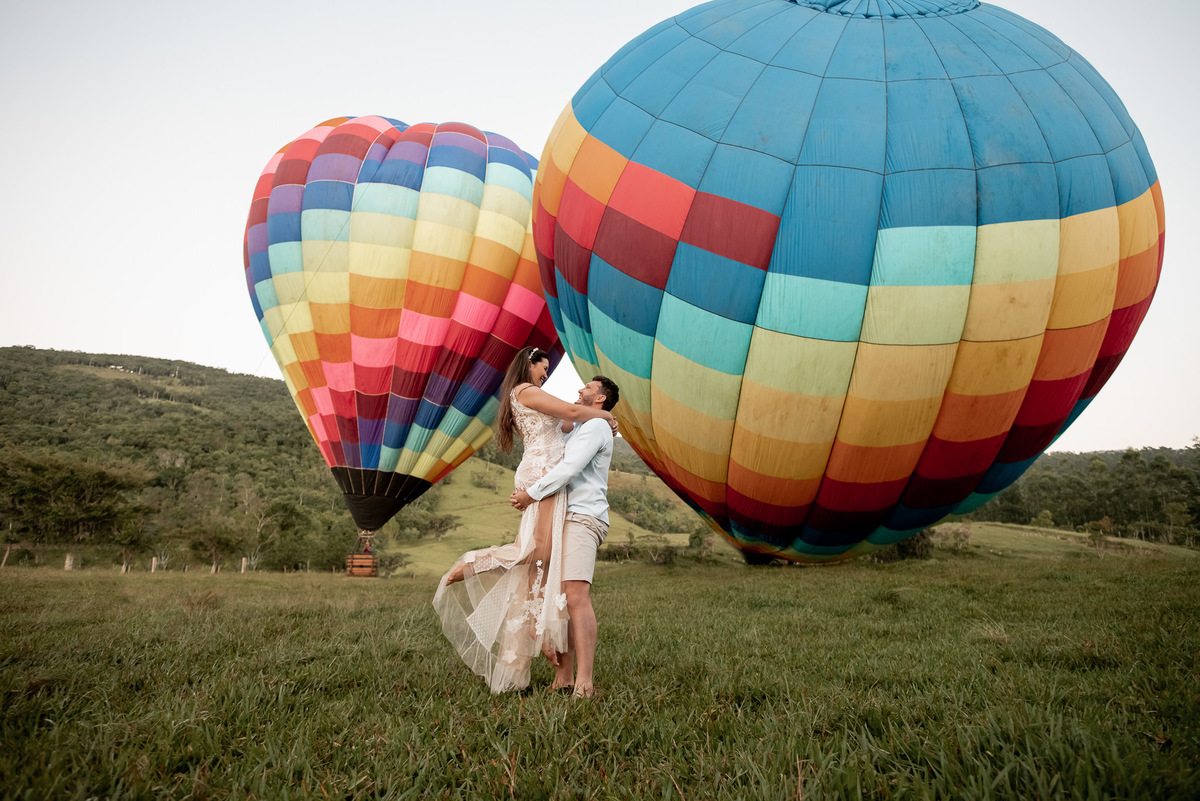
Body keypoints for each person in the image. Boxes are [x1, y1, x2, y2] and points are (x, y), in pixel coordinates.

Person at [432, 347, 617, 693]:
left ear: (600, 396)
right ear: (528, 364)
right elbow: (572, 414)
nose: (546, 374)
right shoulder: (525, 390)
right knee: (536, 551)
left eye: (548, 370)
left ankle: (546, 650)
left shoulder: (557, 409)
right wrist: (605, 415)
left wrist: (599, 417)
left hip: (548, 480)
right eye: (543, 368)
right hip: (543, 475)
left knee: (541, 568)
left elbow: (567, 422)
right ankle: (477, 562)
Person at [510, 375, 619, 699]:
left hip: (583, 516)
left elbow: (569, 469)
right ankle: (564, 676)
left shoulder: (596, 427)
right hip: (565, 517)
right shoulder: (583, 427)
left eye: (587, 388)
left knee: (575, 596)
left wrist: (531, 493)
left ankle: (585, 683)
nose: (580, 390)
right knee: (560, 599)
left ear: (600, 398)